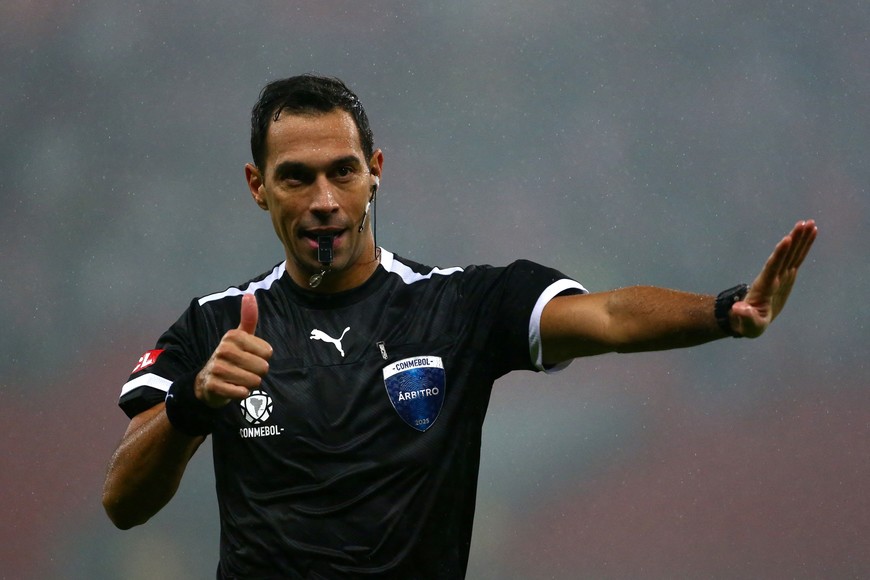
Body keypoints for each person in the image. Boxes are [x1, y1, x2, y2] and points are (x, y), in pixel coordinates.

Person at [102, 74, 818, 579]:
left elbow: (608, 314)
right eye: (296, 177)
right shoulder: (214, 325)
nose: (324, 199)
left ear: (375, 171)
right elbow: (122, 503)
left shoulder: (461, 306)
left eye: (342, 172)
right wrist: (191, 405)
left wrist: (726, 312)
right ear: (258, 186)